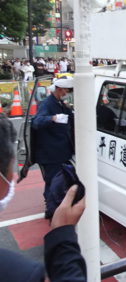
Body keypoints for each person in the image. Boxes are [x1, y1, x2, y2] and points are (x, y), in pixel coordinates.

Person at [0, 114, 87, 280]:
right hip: (49, 157)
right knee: (51, 187)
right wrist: (63, 234)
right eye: (12, 165)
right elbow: (38, 122)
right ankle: (50, 209)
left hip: (60, 154)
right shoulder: (18, 272)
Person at [32, 77, 75, 218]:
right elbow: (36, 122)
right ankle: (51, 210)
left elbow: (70, 118)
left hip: (60, 151)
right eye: (67, 90)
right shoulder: (47, 104)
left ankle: (54, 206)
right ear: (60, 89)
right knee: (52, 181)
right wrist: (52, 118)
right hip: (49, 153)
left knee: (59, 180)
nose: (67, 93)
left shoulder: (59, 103)